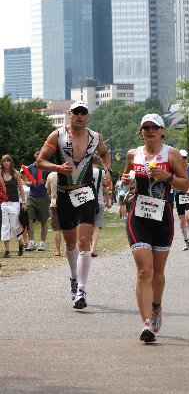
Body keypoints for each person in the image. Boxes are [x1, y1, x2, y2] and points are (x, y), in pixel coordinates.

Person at [36, 100, 112, 309]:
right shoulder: (57, 135)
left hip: (86, 193)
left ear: (87, 116)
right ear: (70, 114)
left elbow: (105, 154)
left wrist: (107, 171)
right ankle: (73, 277)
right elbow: (40, 161)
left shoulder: (95, 137)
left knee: (84, 241)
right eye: (76, 112)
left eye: (83, 113)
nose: (79, 116)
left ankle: (82, 290)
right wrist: (58, 168)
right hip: (64, 195)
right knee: (70, 245)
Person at [122, 113, 189, 343]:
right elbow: (126, 177)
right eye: (145, 127)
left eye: (154, 127)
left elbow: (185, 184)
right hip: (138, 215)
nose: (149, 131)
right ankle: (146, 323)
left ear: (162, 131)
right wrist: (125, 181)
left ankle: (156, 307)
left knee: (158, 275)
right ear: (141, 131)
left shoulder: (171, 154)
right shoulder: (134, 154)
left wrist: (167, 176)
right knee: (144, 271)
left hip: (162, 217)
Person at [1, 155, 26, 257]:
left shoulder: (16, 173)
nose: (6, 163)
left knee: (15, 226)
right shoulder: (1, 173)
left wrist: (23, 202)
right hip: (3, 203)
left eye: (8, 161)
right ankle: (7, 251)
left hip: (14, 202)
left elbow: (21, 188)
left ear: (10, 162)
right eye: (4, 161)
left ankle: (20, 244)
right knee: (5, 226)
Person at [25, 148, 50, 252]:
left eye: (40, 154)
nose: (38, 155)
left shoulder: (47, 167)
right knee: (29, 219)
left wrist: (44, 182)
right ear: (34, 155)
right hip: (32, 196)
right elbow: (25, 180)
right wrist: (30, 183)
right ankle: (31, 243)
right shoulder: (30, 167)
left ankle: (42, 244)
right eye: (36, 154)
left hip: (43, 197)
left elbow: (50, 180)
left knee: (44, 221)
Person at [175, 149, 189, 250]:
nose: (183, 160)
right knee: (182, 219)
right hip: (179, 195)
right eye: (181, 158)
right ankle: (186, 240)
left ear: (188, 158)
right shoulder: (175, 169)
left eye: (185, 158)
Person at [91, 154, 107, 257]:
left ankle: (88, 248)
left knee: (88, 225)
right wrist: (108, 201)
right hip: (99, 201)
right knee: (97, 226)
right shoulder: (102, 173)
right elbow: (105, 188)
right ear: (97, 161)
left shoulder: (86, 172)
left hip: (87, 201)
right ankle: (93, 248)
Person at [46, 171, 62, 256]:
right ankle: (69, 247)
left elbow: (48, 191)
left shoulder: (51, 175)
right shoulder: (68, 173)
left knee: (57, 228)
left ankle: (58, 250)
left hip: (54, 203)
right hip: (67, 204)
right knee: (68, 228)